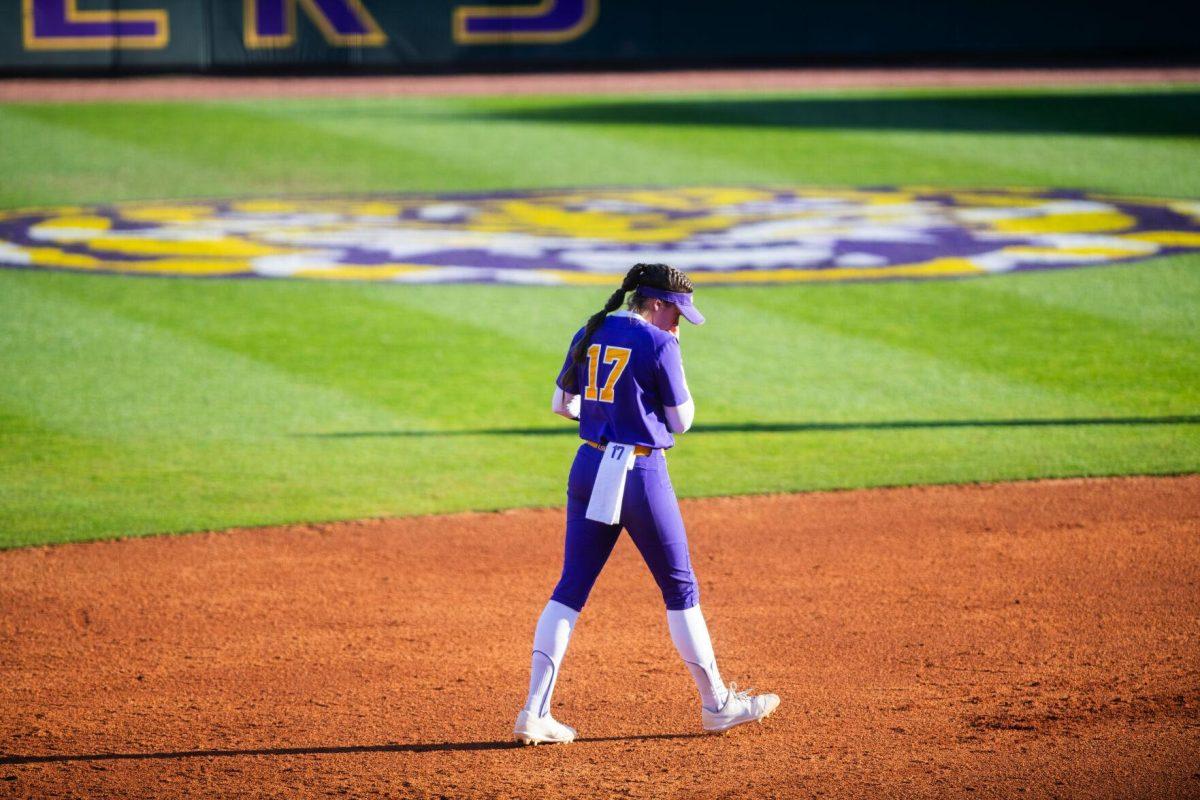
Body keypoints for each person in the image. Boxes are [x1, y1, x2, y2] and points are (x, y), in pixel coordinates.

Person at [513, 262, 780, 745]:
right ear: (655, 303)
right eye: (676, 312)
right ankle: (717, 705)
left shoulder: (591, 328)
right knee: (680, 588)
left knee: (570, 587)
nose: (680, 322)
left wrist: (605, 414)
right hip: (640, 472)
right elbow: (682, 421)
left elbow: (561, 404)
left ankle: (535, 711)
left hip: (589, 466)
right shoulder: (660, 343)